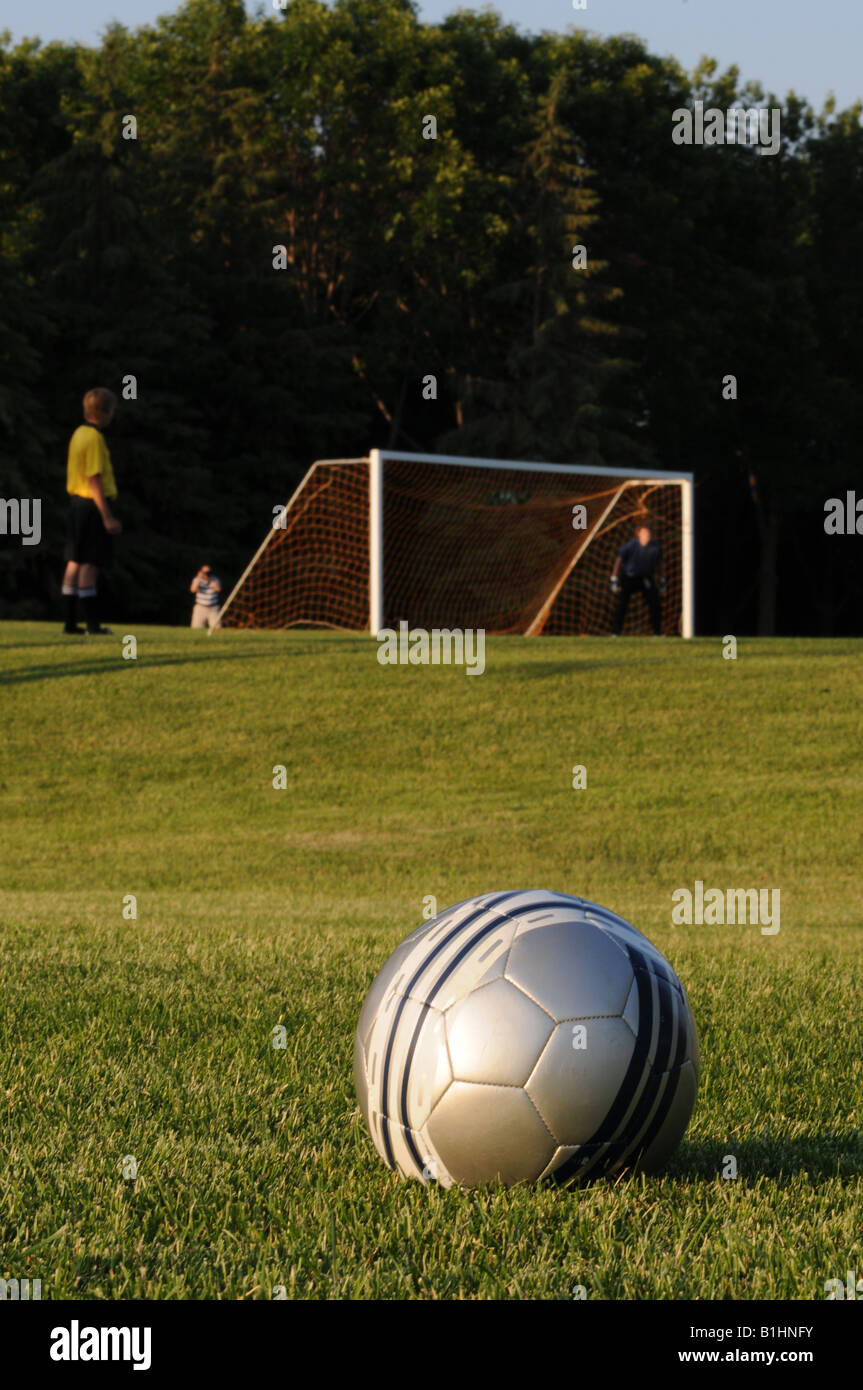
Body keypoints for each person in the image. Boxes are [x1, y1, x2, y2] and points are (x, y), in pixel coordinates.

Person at [61, 388, 121, 635]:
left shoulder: (78, 433)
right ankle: (92, 625)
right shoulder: (95, 438)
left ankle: (69, 623)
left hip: (76, 504)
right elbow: (94, 477)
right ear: (105, 412)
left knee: (74, 562)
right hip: (91, 505)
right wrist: (106, 515)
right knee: (90, 564)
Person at [610, 520, 666, 636]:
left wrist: (662, 581)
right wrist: (614, 579)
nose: (647, 535)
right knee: (622, 604)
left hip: (645, 578)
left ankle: (657, 633)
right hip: (629, 578)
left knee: (654, 603)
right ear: (638, 534)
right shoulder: (630, 546)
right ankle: (615, 632)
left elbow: (660, 565)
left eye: (648, 533)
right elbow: (619, 561)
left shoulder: (656, 547)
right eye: (644, 533)